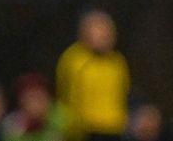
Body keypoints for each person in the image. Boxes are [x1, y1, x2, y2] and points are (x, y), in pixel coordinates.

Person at [55, 9, 130, 141]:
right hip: (85, 130)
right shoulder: (75, 59)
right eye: (98, 30)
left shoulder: (118, 61)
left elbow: (123, 93)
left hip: (113, 128)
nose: (104, 35)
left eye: (108, 30)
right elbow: (66, 93)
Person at [1, 73, 67, 141]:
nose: (36, 104)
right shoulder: (12, 125)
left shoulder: (60, 117)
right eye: (31, 98)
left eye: (40, 98)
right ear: (21, 102)